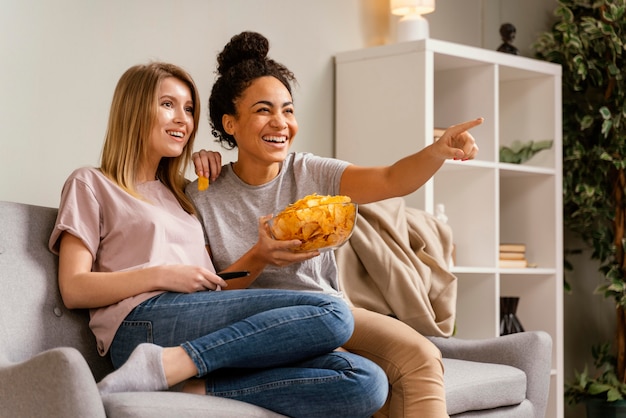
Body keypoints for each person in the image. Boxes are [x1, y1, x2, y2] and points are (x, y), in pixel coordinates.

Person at [48, 61, 388, 418]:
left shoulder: (183, 195)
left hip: (200, 321)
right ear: (133, 109)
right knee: (332, 311)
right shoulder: (91, 183)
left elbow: (219, 290)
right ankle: (168, 363)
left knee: (366, 380)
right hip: (141, 324)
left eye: (189, 109)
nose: (183, 119)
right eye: (168, 104)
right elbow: (73, 287)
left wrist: (261, 253)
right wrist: (161, 275)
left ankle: (194, 382)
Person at [187, 31, 482, 418]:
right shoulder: (202, 196)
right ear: (230, 123)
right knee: (368, 387)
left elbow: (392, 179)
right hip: (258, 325)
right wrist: (258, 257)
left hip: (329, 313)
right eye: (263, 110)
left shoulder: (311, 171)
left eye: (288, 110)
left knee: (422, 356)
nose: (281, 123)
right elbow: (208, 299)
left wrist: (437, 151)